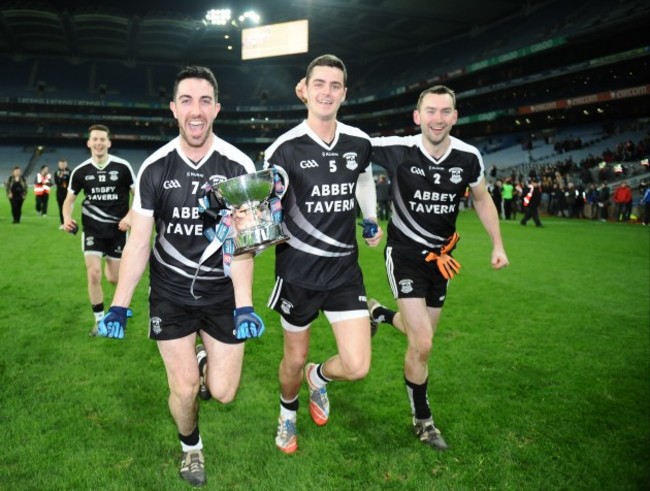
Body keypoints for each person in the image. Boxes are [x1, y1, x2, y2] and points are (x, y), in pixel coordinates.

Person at [98, 66, 264, 487]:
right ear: (174, 108)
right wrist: (119, 305)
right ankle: (191, 448)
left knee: (223, 392)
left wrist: (244, 304)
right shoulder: (154, 167)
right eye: (187, 100)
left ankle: (206, 356)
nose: (196, 110)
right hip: (170, 295)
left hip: (221, 293)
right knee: (187, 388)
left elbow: (245, 245)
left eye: (205, 100)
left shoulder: (236, 163)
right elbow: (138, 243)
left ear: (217, 108)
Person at [367, 85, 509, 450]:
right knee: (424, 343)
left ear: (455, 117)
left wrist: (497, 244)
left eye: (446, 111)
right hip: (404, 255)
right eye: (430, 111)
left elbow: (482, 199)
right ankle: (423, 420)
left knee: (420, 339)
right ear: (418, 116)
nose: (438, 118)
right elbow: (349, 147)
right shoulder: (398, 149)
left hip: (441, 261)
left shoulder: (468, 156)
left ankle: (379, 314)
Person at [265, 54, 382, 455]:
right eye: (320, 84)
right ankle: (287, 413)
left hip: (344, 273)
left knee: (357, 366)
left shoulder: (358, 142)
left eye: (335, 86)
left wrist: (370, 217)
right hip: (298, 273)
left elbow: (364, 179)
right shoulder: (283, 149)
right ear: (305, 89)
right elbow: (267, 210)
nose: (327, 92)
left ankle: (320, 378)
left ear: (344, 93)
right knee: (291, 361)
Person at [62, 125, 136, 335]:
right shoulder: (81, 171)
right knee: (93, 274)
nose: (98, 143)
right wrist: (67, 217)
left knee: (114, 278)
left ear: (109, 142)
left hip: (118, 230)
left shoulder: (122, 167)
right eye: (95, 139)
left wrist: (130, 216)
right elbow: (69, 200)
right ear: (89, 143)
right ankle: (100, 320)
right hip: (92, 230)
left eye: (102, 139)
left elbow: (137, 195)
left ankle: (120, 306)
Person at [54, 158, 71, 229]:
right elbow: (57, 182)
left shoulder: (70, 172)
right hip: (59, 193)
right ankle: (62, 223)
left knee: (68, 209)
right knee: (61, 208)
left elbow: (71, 182)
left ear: (66, 164)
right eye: (61, 164)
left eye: (63, 164)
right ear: (59, 165)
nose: (62, 166)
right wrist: (61, 177)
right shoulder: (56, 173)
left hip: (68, 193)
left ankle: (69, 223)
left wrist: (66, 176)